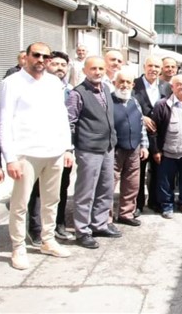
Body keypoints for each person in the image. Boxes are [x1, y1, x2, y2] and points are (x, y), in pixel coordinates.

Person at [0, 42, 73, 270]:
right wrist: (10, 158)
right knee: (20, 204)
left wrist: (67, 148)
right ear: (27, 57)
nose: (41, 60)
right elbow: (4, 121)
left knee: (52, 200)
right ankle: (18, 247)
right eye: (36, 55)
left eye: (45, 56)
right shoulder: (12, 83)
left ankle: (47, 240)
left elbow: (61, 116)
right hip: (26, 153)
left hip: (54, 152)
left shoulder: (54, 83)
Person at [67, 56, 121, 249]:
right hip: (88, 148)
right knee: (86, 191)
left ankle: (99, 224)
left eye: (100, 68)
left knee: (106, 187)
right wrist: (69, 148)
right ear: (84, 71)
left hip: (107, 146)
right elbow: (70, 122)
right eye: (93, 69)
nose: (97, 72)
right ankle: (82, 230)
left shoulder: (106, 88)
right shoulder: (77, 93)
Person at [27, 51, 75, 244]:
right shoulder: (34, 86)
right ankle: (36, 229)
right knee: (37, 190)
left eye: (63, 65)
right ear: (47, 64)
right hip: (37, 147)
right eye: (55, 64)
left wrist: (69, 149)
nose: (59, 68)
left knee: (60, 189)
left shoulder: (71, 91)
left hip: (62, 149)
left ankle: (58, 224)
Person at [151, 74, 182, 219]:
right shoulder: (162, 105)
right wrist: (156, 150)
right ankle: (167, 206)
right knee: (165, 182)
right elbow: (153, 130)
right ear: (172, 87)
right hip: (167, 152)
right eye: (178, 84)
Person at [133, 56, 172, 215]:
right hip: (138, 136)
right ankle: (138, 204)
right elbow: (125, 105)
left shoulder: (166, 87)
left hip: (159, 136)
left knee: (157, 171)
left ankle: (155, 202)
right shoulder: (133, 84)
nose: (153, 69)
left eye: (157, 66)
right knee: (138, 172)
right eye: (150, 66)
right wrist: (141, 117)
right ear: (144, 66)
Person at [110, 69, 149, 226]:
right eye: (121, 81)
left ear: (133, 85)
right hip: (114, 150)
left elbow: (141, 124)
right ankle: (105, 219)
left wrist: (144, 145)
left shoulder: (134, 102)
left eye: (128, 82)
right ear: (114, 83)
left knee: (132, 184)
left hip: (134, 149)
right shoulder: (108, 101)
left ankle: (126, 214)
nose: (124, 85)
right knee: (109, 184)